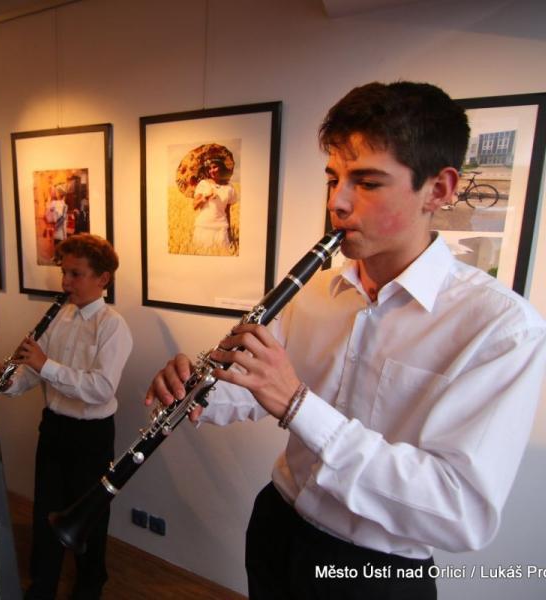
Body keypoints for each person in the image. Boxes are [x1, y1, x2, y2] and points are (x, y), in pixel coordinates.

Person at [145, 81, 546, 599]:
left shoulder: (500, 327)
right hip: (278, 525)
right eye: (333, 178)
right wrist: (198, 390)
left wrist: (298, 405)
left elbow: (460, 513)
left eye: (368, 182)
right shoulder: (316, 291)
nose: (337, 202)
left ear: (439, 190)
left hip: (375, 570)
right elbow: (254, 388)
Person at [0, 233, 132, 600]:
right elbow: (34, 374)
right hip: (54, 427)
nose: (65, 283)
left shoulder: (112, 326)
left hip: (92, 435)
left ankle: (88, 588)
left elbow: (101, 389)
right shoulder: (59, 317)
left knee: (89, 518)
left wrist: (45, 365)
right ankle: (42, 586)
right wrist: (6, 383)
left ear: (102, 279)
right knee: (45, 512)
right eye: (64, 273)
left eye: (75, 274)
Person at [192, 157, 238, 251]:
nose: (211, 170)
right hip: (204, 227)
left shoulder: (229, 188)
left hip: (221, 228)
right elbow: (194, 206)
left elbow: (227, 211)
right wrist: (205, 198)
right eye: (209, 168)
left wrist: (228, 229)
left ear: (221, 167)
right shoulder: (203, 184)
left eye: (214, 167)